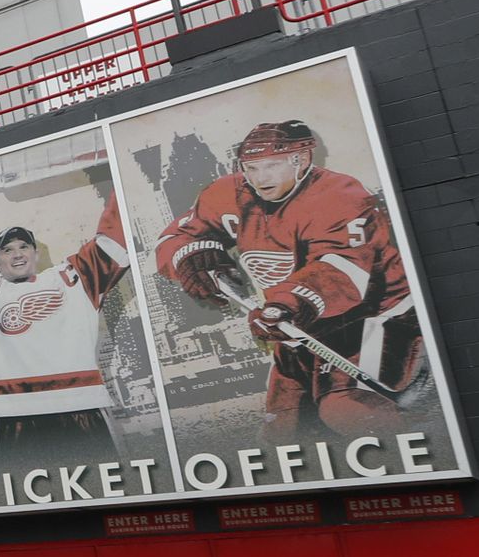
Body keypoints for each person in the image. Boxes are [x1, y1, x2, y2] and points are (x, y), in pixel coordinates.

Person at [153, 119, 423, 443]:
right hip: (292, 324)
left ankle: (425, 444)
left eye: (272, 165)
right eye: (251, 167)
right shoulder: (228, 193)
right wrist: (192, 255)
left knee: (347, 409)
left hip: (372, 318)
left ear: (303, 160)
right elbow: (177, 235)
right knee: (282, 434)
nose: (260, 177)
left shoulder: (341, 194)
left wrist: (287, 306)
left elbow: (340, 269)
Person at [0, 199, 130, 482]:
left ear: (35, 253)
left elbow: (114, 238)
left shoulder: (71, 277)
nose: (17, 254)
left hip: (80, 408)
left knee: (102, 492)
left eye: (23, 247)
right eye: (7, 250)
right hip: (13, 417)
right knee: (21, 504)